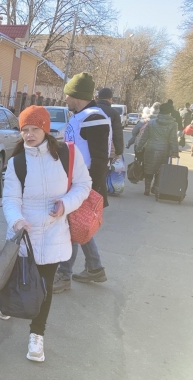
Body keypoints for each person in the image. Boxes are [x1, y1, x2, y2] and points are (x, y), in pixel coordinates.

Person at [2, 106, 91, 361]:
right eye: (24, 130)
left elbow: (83, 185)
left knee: (44, 286)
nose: (29, 135)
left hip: (54, 231)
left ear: (46, 128)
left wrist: (66, 204)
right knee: (18, 278)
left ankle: (37, 335)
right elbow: (10, 197)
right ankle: (7, 304)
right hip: (24, 233)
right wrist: (16, 220)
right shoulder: (17, 162)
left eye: (34, 129)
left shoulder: (67, 154)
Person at [53, 72, 111, 294]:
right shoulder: (83, 115)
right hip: (75, 180)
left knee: (71, 227)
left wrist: (91, 188)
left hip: (82, 182)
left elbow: (99, 157)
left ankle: (64, 275)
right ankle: (95, 268)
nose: (65, 99)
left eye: (67, 94)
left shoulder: (94, 117)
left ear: (76, 95)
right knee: (79, 225)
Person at [137, 103, 179, 195]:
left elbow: (144, 137)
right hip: (164, 150)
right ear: (170, 113)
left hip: (150, 149)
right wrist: (175, 152)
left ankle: (147, 189)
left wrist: (138, 147)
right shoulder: (173, 124)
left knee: (148, 169)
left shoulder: (151, 122)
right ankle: (155, 188)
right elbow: (173, 139)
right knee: (160, 170)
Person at [95, 88, 124, 158]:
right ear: (110, 99)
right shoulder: (114, 113)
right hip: (107, 150)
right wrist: (119, 150)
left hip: (89, 149)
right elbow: (117, 134)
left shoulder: (90, 110)